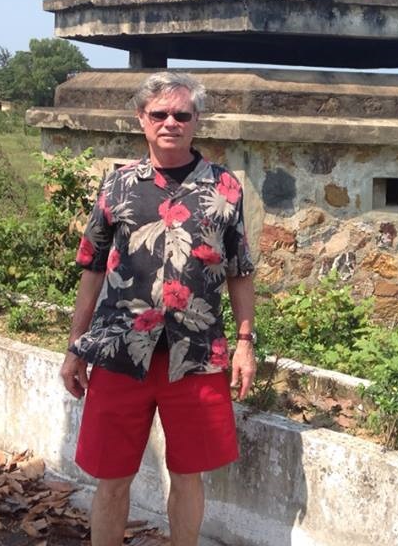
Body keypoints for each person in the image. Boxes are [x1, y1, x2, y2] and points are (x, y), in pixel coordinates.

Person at [59, 72, 256, 546]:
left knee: (188, 475)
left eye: (181, 114)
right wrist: (74, 348)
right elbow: (92, 268)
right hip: (121, 351)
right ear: (141, 119)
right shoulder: (118, 185)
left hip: (197, 354)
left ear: (196, 120)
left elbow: (240, 270)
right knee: (112, 477)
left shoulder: (225, 188)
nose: (171, 122)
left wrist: (245, 344)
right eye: (160, 114)